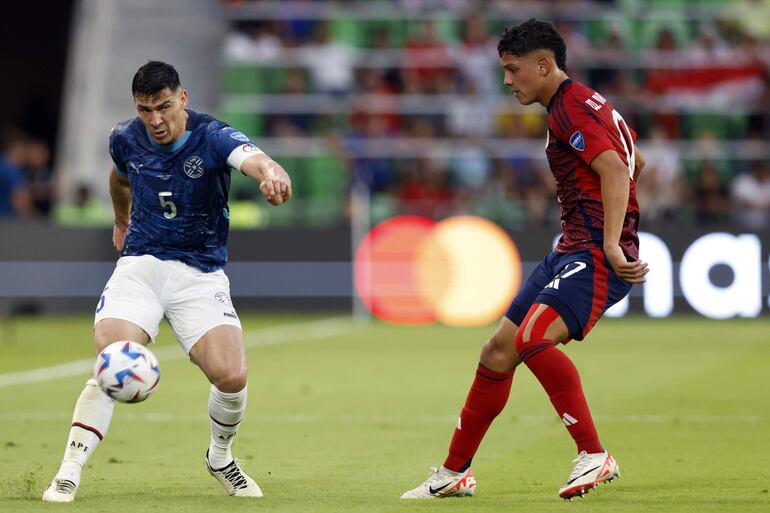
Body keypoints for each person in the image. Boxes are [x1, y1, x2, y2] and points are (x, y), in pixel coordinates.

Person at [401, 19, 648, 501]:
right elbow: (635, 158)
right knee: (498, 351)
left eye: (513, 70)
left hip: (594, 252)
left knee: (535, 339)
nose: (508, 80)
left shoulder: (569, 110)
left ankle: (594, 455)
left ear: (544, 64)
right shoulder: (587, 101)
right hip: (570, 247)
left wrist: (615, 243)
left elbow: (618, 169)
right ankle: (454, 473)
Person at [42, 61, 292, 502]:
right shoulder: (124, 137)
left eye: (162, 107)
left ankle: (220, 456)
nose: (154, 120)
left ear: (183, 99)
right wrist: (122, 220)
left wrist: (272, 172)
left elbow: (252, 158)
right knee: (112, 357)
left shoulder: (212, 136)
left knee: (232, 376)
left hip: (198, 273)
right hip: (141, 263)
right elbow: (119, 177)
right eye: (144, 110)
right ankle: (69, 469)